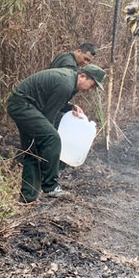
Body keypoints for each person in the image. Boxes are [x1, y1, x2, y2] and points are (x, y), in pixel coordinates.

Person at [7, 64, 106, 203]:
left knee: (32, 152)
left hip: (23, 105)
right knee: (52, 137)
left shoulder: (69, 81)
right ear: (83, 76)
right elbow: (49, 115)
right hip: (23, 106)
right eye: (92, 85)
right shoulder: (66, 84)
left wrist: (71, 107)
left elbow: (51, 101)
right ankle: (51, 187)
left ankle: (27, 199)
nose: (91, 90)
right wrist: (49, 149)